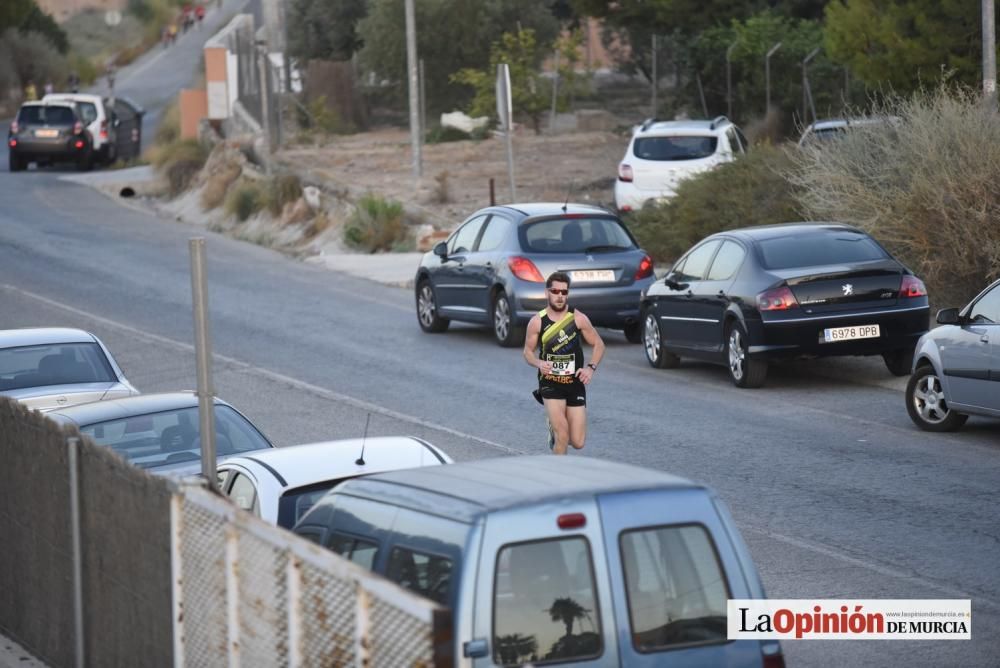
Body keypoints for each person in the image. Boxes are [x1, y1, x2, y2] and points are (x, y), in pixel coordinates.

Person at [523, 271, 605, 455]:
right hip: (550, 384)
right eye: (555, 291)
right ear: (547, 293)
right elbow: (527, 352)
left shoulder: (578, 318)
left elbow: (598, 344)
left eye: (564, 292)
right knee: (563, 434)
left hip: (574, 384)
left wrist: (590, 368)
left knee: (578, 442)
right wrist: (538, 363)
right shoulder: (537, 322)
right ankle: (558, 479)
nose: (559, 296)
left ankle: (557, 433)